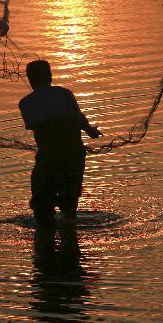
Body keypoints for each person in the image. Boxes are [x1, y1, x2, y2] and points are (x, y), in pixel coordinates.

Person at [19, 60, 101, 227]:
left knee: (42, 205)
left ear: (30, 79)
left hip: (48, 158)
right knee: (69, 202)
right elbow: (78, 117)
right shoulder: (64, 94)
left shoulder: (26, 103)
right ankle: (69, 232)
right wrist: (90, 131)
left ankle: (46, 237)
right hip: (73, 155)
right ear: (50, 76)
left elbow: (36, 125)